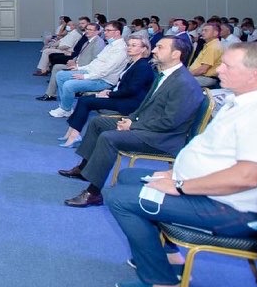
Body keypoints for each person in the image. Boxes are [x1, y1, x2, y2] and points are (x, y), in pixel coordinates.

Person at [106, 42, 257, 287]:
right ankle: (168, 255)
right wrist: (175, 173)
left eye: (227, 66)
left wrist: (180, 185)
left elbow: (247, 176)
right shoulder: (245, 102)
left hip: (231, 210)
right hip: (212, 194)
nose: (219, 70)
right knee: (128, 177)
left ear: (255, 75)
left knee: (119, 198)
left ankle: (162, 284)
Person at [58, 36, 204, 208]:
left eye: (160, 47)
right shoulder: (166, 75)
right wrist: (130, 119)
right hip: (148, 127)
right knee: (98, 123)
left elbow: (171, 122)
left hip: (162, 138)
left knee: (108, 138)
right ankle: (84, 168)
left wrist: (133, 125)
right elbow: (144, 106)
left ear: (176, 54)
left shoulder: (184, 83)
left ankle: (93, 193)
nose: (154, 50)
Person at [57, 34, 154, 147]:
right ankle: (71, 132)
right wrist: (108, 92)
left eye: (134, 45)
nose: (129, 47)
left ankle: (74, 135)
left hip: (130, 103)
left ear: (143, 49)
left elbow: (132, 90)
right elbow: (121, 84)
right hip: (123, 97)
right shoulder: (133, 63)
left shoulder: (143, 66)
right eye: (128, 45)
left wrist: (109, 93)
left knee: (85, 101)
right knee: (84, 100)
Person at [50, 21, 129, 118]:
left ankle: (65, 109)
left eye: (108, 30)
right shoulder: (110, 45)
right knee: (60, 75)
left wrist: (85, 76)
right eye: (105, 30)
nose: (105, 33)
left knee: (69, 85)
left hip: (104, 80)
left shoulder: (120, 49)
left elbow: (105, 71)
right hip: (94, 73)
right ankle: (66, 107)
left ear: (117, 32)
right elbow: (95, 63)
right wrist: (79, 68)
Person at [189, 21, 223, 87]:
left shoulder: (213, 47)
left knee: (179, 82)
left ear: (215, 33)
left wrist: (187, 75)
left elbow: (203, 70)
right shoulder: (210, 45)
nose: (203, 33)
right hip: (199, 75)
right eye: (202, 30)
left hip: (205, 78)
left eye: (206, 31)